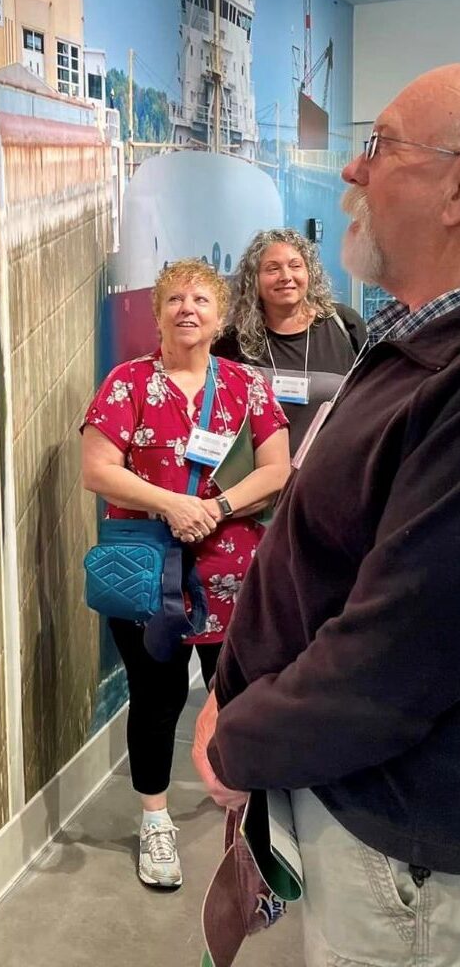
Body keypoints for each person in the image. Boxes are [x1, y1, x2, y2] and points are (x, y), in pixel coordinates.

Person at [196, 64, 460, 966]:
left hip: (404, 850)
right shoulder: (411, 340)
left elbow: (396, 658)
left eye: (380, 145)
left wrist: (239, 740)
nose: (351, 170)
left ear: (455, 190)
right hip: (361, 804)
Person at [81, 259, 290, 889]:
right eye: (175, 298)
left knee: (241, 698)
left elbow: (276, 469)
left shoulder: (247, 387)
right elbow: (98, 469)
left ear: (220, 316)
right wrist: (172, 503)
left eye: (201, 298)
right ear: (159, 314)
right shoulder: (128, 385)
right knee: (156, 699)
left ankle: (252, 810)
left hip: (235, 577)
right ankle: (154, 822)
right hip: (148, 575)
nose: (187, 308)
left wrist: (217, 508)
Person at [213, 229, 366, 454]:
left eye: (295, 266)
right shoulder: (232, 342)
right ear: (253, 279)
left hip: (334, 469)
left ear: (309, 273)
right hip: (258, 479)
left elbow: (367, 402)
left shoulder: (345, 325)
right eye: (272, 268)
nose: (286, 276)